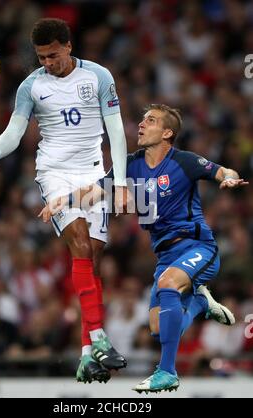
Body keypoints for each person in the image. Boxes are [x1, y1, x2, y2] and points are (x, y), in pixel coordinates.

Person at [39, 103, 249, 393]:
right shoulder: (131, 165)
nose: (140, 124)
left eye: (150, 121)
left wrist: (228, 178)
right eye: (141, 120)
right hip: (165, 257)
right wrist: (63, 201)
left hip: (197, 247)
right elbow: (97, 190)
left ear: (167, 132)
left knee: (168, 285)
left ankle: (167, 371)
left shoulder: (183, 161)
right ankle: (201, 302)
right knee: (158, 328)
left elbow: (222, 170)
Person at [0, 18, 130, 384]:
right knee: (78, 242)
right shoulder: (32, 86)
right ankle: (99, 338)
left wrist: (121, 182)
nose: (47, 62)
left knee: (92, 260)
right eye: (41, 57)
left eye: (52, 55)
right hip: (55, 173)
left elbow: (117, 130)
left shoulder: (98, 77)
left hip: (94, 173)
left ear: (68, 46)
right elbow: (16, 130)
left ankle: (85, 355)